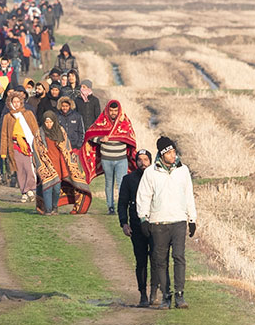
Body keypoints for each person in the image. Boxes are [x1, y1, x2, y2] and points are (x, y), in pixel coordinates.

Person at [137, 136, 197, 310]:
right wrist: (144, 218)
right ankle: (166, 296)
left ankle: (180, 295)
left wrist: (192, 219)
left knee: (179, 257)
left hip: (178, 220)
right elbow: (144, 196)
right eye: (169, 152)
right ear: (162, 154)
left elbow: (188, 195)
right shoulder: (151, 172)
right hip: (158, 222)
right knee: (160, 261)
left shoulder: (183, 170)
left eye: (174, 151)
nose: (173, 155)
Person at [118, 149, 164, 307]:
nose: (142, 162)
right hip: (137, 226)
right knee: (141, 261)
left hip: (156, 224)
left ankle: (154, 292)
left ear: (151, 161)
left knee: (157, 260)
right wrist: (124, 223)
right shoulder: (129, 179)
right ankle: (143, 294)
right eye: (139, 159)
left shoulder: (158, 178)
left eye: (145, 159)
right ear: (135, 161)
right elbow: (122, 203)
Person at [79, 100, 137, 215]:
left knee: (121, 183)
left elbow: (131, 138)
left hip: (121, 159)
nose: (113, 113)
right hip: (107, 159)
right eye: (111, 110)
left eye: (115, 110)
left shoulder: (124, 122)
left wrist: (120, 137)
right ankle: (110, 207)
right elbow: (90, 135)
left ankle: (122, 207)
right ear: (107, 110)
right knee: (109, 183)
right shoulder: (102, 121)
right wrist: (100, 139)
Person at [33, 111, 92, 215]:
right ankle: (48, 209)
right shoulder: (39, 134)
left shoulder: (60, 131)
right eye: (46, 122)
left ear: (54, 121)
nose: (48, 124)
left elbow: (67, 147)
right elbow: (37, 150)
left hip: (59, 164)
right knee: (47, 187)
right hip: (46, 164)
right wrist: (41, 164)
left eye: (50, 122)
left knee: (56, 189)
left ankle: (55, 207)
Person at [0, 91, 39, 203]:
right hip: (14, 146)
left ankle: (31, 188)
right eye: (14, 102)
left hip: (28, 145)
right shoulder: (8, 117)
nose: (16, 104)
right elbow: (4, 134)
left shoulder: (28, 114)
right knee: (19, 170)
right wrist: (3, 151)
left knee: (29, 168)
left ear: (21, 102)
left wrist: (38, 145)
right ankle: (24, 191)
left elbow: (35, 129)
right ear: (10, 103)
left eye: (18, 101)